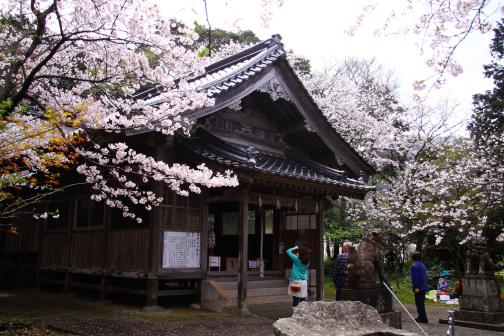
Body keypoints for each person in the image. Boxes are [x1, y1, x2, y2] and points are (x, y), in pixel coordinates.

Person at [411, 251, 428, 323]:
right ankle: (421, 316)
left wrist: (416, 287)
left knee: (419, 303)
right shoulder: (422, 265)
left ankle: (423, 318)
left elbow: (415, 278)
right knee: (421, 303)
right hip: (424, 286)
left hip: (419, 287)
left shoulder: (414, 266)